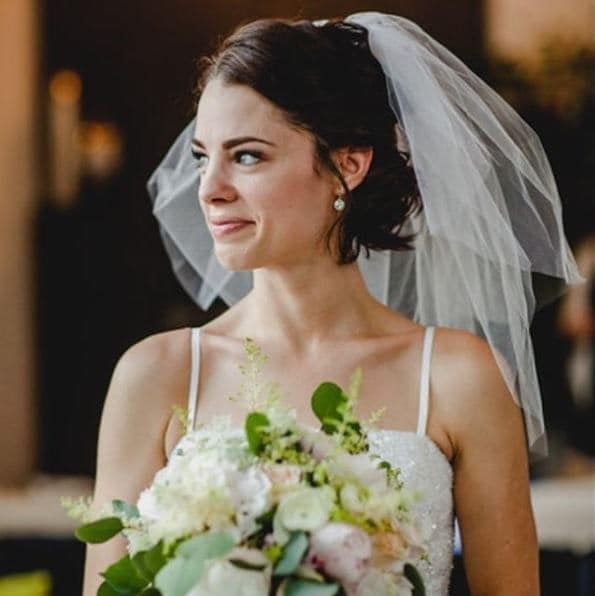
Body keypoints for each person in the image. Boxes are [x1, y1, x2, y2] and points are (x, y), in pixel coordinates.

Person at [83, 13, 582, 595]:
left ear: (348, 164)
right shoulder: (156, 375)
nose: (209, 188)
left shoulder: (458, 377)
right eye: (202, 156)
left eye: (246, 156)